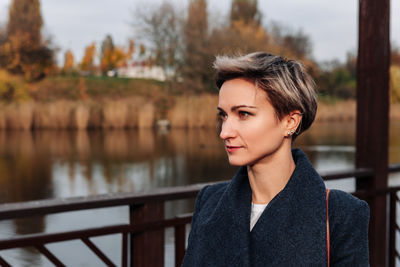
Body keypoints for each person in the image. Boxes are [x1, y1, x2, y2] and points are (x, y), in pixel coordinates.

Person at [181, 52, 369, 266]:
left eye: (243, 114)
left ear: (290, 122)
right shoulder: (210, 202)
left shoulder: (340, 213)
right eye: (223, 115)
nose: (225, 132)